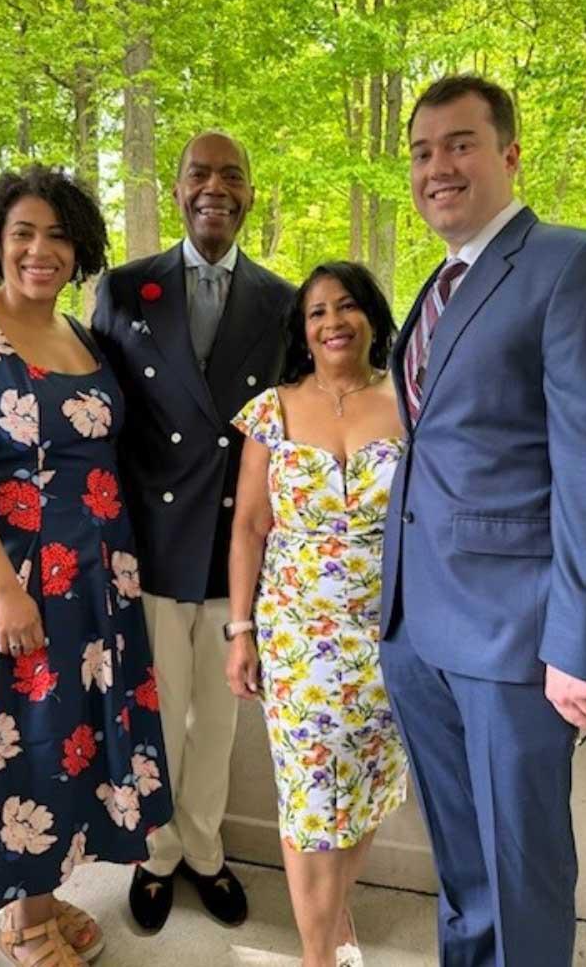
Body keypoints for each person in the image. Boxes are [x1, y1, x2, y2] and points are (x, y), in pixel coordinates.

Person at [380, 74, 586, 966]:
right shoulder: (438, 285)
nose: (438, 167)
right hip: (418, 632)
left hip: (515, 643)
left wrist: (582, 641)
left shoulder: (576, 266)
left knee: (521, 871)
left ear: (508, 154)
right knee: (463, 871)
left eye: (460, 144)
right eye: (422, 152)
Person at [0, 166, 172, 967]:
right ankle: (22, 920)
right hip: (13, 576)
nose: (40, 249)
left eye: (57, 234)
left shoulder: (80, 334)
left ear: (80, 246)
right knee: (24, 736)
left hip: (95, 582)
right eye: (23, 232)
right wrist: (6, 590)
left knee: (70, 739)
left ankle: (46, 894)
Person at [91, 130, 295, 932]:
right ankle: (157, 853)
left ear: (250, 193)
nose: (216, 186)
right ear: (177, 189)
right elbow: (99, 417)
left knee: (218, 717)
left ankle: (205, 851)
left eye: (232, 175)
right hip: (147, 546)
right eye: (199, 173)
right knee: (159, 711)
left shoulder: (283, 301)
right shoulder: (124, 287)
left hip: (234, 549)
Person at [227, 262, 409, 967]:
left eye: (347, 306)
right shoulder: (272, 410)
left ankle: (334, 917)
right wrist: (239, 630)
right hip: (296, 635)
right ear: (302, 332)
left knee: (363, 790)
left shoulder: (410, 402)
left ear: (372, 316)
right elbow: (247, 525)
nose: (333, 322)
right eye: (316, 312)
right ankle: (316, 955)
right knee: (308, 804)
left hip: (390, 632)